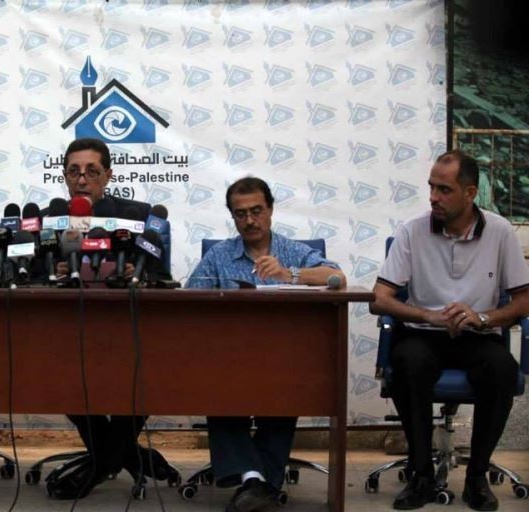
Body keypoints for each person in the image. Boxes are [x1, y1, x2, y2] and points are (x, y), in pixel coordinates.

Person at [371, 150, 528, 511]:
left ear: (470, 193)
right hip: (424, 334)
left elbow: (524, 301)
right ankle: (421, 475)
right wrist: (429, 316)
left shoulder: (500, 232)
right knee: (408, 362)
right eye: (431, 187)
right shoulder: (412, 231)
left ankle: (477, 477)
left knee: (502, 369)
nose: (433, 197)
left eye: (444, 190)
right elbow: (379, 299)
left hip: (477, 335)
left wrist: (483, 318)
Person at [186, 176, 346, 512]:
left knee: (286, 385)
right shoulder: (219, 255)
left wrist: (290, 275)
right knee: (215, 384)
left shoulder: (293, 251)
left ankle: (252, 482)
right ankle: (258, 483)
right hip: (231, 356)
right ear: (233, 217)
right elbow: (189, 299)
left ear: (270, 210)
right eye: (240, 214)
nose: (249, 220)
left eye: (256, 211)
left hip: (283, 357)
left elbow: (337, 278)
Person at [44, 138, 177, 499]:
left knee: (142, 376)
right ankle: (128, 457)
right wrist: (53, 271)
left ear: (108, 175)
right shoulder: (50, 218)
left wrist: (138, 271)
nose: (82, 179)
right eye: (74, 171)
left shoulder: (137, 217)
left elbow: (161, 274)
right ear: (64, 176)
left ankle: (100, 465)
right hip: (65, 330)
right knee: (56, 374)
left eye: (92, 171)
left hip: (125, 329)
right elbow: (31, 274)